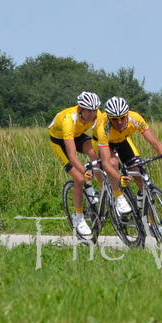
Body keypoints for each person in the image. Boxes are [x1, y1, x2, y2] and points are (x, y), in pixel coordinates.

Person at [95, 96, 162, 217]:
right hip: (105, 143)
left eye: (122, 118)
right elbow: (106, 164)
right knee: (112, 163)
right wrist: (119, 178)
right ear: (108, 117)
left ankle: (150, 220)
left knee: (137, 170)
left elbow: (155, 143)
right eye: (114, 119)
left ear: (127, 115)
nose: (119, 122)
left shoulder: (135, 118)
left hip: (123, 141)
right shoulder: (103, 128)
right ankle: (118, 196)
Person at [49, 91, 101, 237]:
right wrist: (84, 171)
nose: (92, 114)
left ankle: (100, 189)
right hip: (60, 142)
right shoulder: (68, 120)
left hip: (77, 136)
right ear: (80, 109)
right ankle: (78, 217)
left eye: (94, 110)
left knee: (95, 156)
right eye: (89, 111)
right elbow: (72, 155)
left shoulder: (97, 115)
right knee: (79, 178)